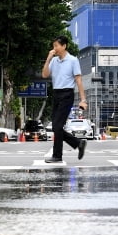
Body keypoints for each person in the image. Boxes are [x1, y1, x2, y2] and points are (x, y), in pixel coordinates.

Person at [42, 35, 88, 164]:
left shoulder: (73, 60)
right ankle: (78, 143)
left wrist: (83, 99)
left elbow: (78, 80)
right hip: (56, 94)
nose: (54, 48)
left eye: (56, 46)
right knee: (56, 126)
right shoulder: (54, 61)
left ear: (64, 46)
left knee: (57, 126)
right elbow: (45, 74)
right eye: (53, 46)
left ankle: (58, 155)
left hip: (67, 94)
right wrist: (48, 59)